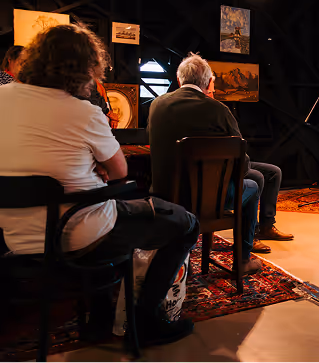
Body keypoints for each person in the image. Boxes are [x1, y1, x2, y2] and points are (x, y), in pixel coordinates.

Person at [0, 24, 198, 346]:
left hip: (17, 239)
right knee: (185, 223)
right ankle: (147, 321)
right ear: (87, 68)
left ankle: (100, 318)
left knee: (96, 214)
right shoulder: (84, 112)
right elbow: (119, 172)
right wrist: (94, 168)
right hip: (80, 237)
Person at [147, 53, 275, 260]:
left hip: (165, 195)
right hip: (204, 202)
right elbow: (242, 165)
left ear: (179, 80)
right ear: (208, 82)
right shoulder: (219, 110)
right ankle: (243, 258)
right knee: (252, 184)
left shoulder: (156, 105)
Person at [204, 78, 293, 243]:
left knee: (273, 172)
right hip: (221, 167)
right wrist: (242, 164)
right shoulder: (218, 111)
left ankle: (266, 226)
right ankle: (250, 233)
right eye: (211, 91)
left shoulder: (217, 110)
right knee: (256, 176)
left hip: (230, 162)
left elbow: (237, 143)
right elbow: (236, 147)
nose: (214, 94)